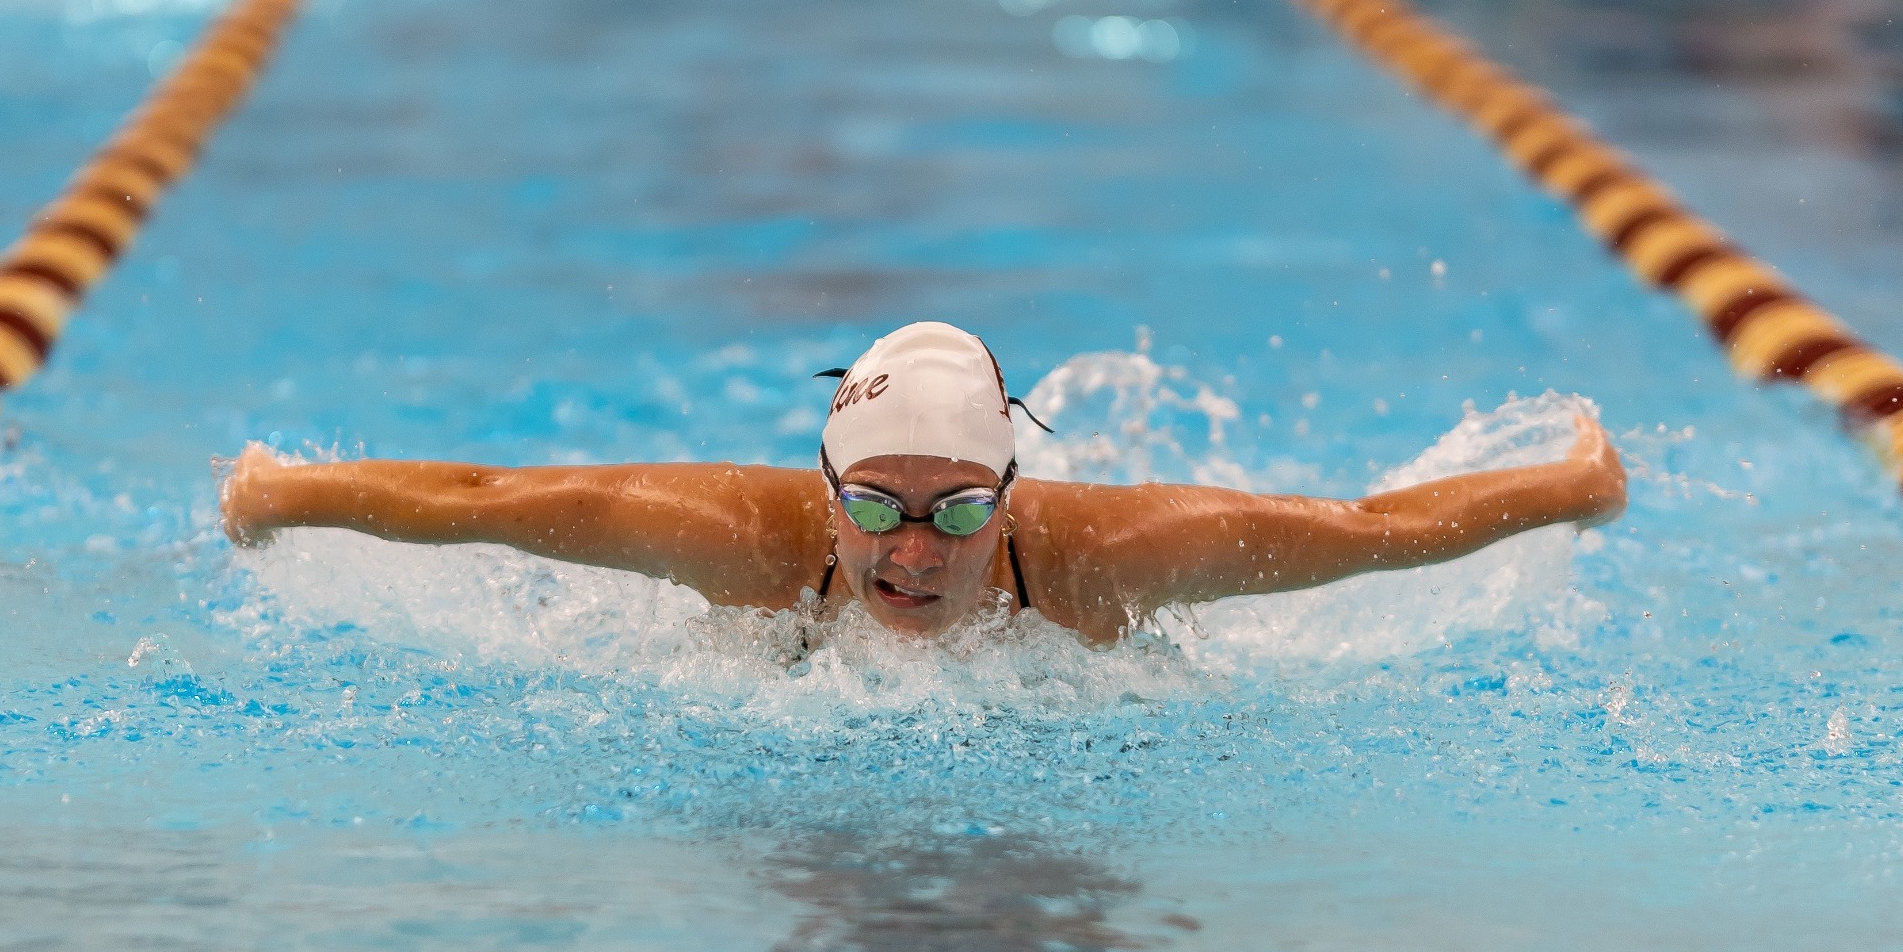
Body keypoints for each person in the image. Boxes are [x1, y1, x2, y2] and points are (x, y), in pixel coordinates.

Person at [219, 322, 1627, 644]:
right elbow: (482, 497)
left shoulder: (1108, 556)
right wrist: (282, 495)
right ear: (822, 491)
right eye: (878, 505)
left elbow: (1373, 533)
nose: (913, 549)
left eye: (958, 508)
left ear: (1009, 498)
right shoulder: (732, 536)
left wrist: (1575, 487)